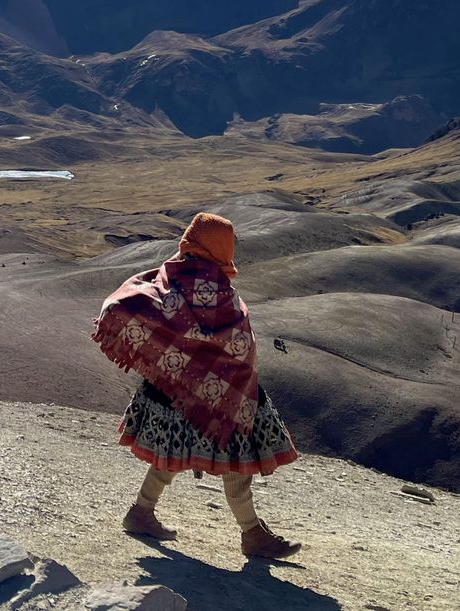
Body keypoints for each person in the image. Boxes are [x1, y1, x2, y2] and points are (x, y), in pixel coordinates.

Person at [92, 212, 302, 559]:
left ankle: (141, 512)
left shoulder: (164, 278)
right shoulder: (219, 292)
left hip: (171, 389)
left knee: (170, 452)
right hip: (224, 392)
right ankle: (252, 534)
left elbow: (122, 303)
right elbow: (237, 342)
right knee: (236, 458)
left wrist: (165, 363)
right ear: (222, 249)